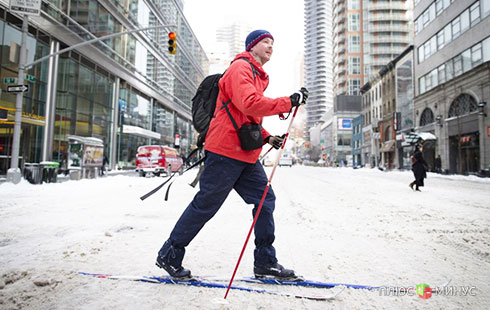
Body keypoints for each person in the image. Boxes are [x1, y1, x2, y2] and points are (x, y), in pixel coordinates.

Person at [155, 30, 308, 279]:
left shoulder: (256, 74)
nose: (271, 46)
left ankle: (265, 262)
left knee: (265, 201)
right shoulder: (240, 68)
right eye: (266, 42)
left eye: (273, 42)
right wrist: (287, 102)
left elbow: (246, 116)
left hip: (245, 155)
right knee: (206, 205)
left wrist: (267, 136)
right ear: (252, 46)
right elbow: (249, 103)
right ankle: (169, 254)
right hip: (225, 152)